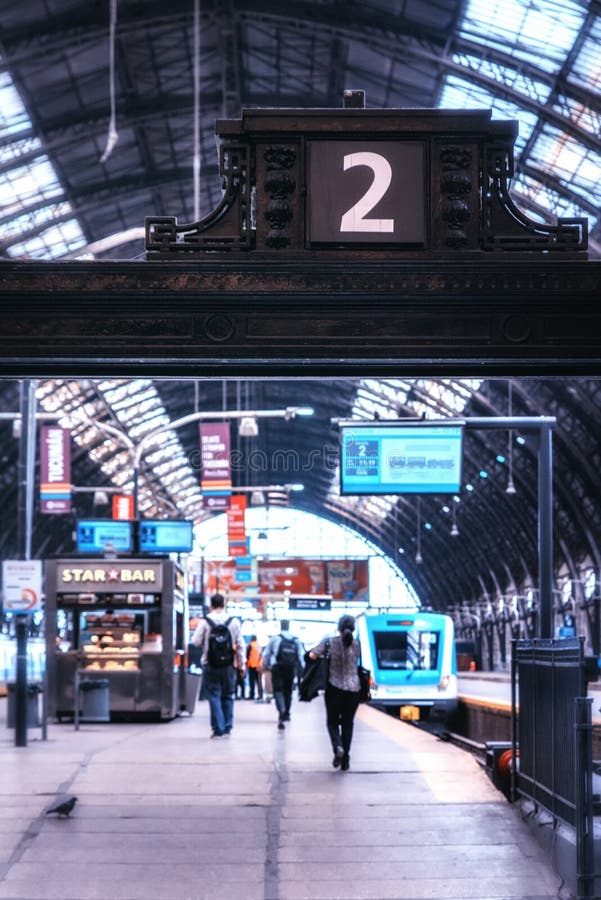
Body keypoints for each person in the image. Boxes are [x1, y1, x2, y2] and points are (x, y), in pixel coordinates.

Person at [309, 614, 361, 771]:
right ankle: (346, 760)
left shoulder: (329, 642)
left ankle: (338, 747)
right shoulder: (357, 644)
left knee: (332, 722)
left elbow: (312, 655)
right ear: (353, 628)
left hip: (334, 688)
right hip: (354, 690)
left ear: (338, 627)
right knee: (348, 724)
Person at [191, 593, 245, 737]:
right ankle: (227, 728)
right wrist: (242, 665)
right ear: (224, 604)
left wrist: (206, 643)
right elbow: (240, 645)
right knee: (228, 695)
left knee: (214, 696)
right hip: (228, 665)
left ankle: (218, 729)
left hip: (210, 664)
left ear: (212, 605)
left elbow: (195, 641)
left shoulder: (205, 621)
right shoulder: (233, 622)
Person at [262, 619, 304, 730]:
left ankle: (281, 709)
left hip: (277, 669)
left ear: (281, 626)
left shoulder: (275, 639)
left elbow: (266, 654)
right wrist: (303, 671)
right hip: (291, 669)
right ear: (288, 626)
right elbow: (301, 656)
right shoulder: (296, 640)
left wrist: (264, 666)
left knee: (278, 691)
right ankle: (287, 714)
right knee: (288, 691)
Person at [246, 634, 263, 700]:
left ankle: (252, 695)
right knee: (259, 681)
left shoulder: (250, 645)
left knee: (251, 681)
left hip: (251, 665)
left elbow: (247, 655)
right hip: (259, 666)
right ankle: (260, 695)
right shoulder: (259, 645)